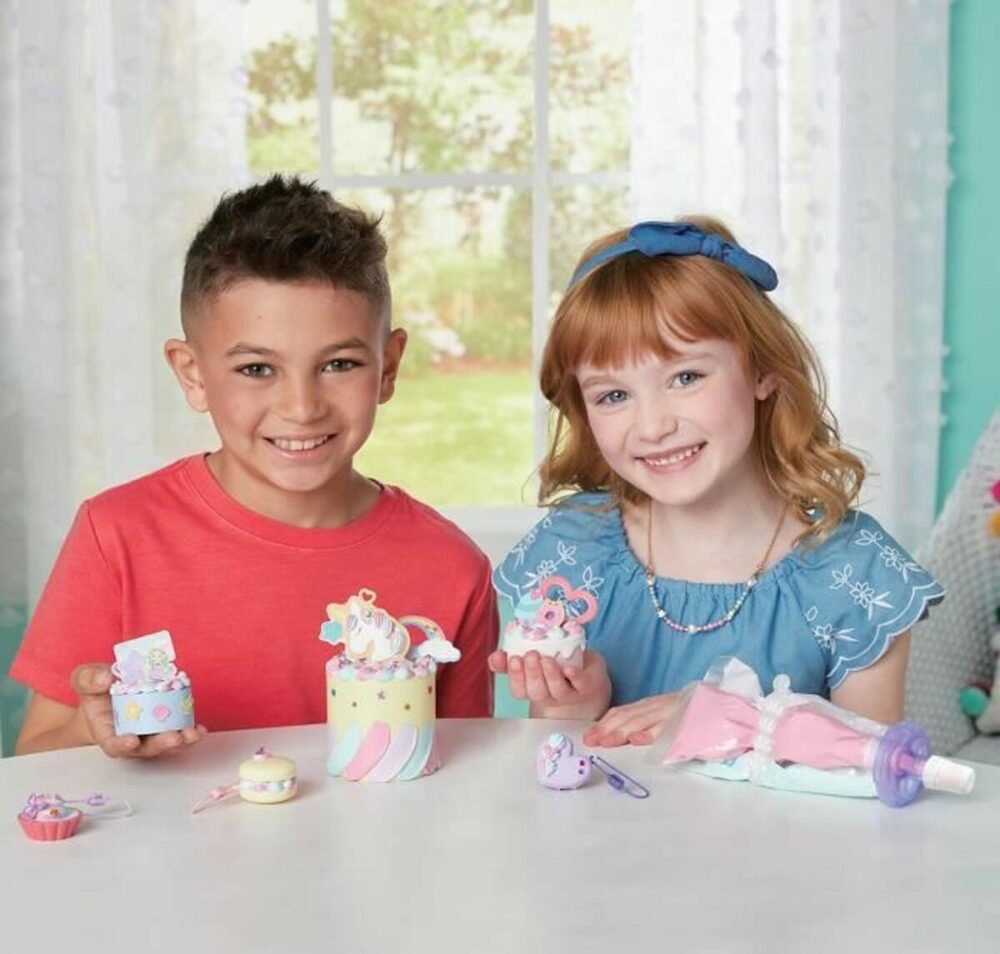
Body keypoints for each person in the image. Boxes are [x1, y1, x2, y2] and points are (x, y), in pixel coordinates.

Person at [13, 175, 497, 756]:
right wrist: (92, 732)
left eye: (339, 364)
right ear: (193, 374)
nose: (302, 407)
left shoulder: (452, 569)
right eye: (256, 370)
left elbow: (461, 777)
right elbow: (34, 758)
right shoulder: (116, 536)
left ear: (388, 367)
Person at [489, 218, 943, 747]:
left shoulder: (853, 575)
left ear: (762, 371)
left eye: (686, 377)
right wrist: (573, 704)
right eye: (613, 395)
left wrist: (743, 728)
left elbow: (875, 772)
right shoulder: (573, 551)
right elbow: (551, 766)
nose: (653, 426)